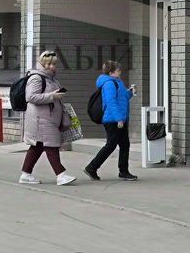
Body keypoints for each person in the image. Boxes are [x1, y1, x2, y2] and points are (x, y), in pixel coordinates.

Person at [19, 50, 77, 186]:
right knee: (52, 146)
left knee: (38, 146)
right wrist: (53, 96)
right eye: (48, 64)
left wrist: (57, 95)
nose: (51, 66)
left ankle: (26, 174)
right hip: (41, 119)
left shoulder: (50, 79)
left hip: (48, 118)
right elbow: (30, 97)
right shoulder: (36, 78)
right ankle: (61, 175)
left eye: (54, 64)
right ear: (42, 63)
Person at [84, 61, 138, 181]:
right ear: (111, 72)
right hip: (113, 120)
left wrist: (130, 92)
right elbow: (111, 102)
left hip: (119, 119)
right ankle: (92, 167)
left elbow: (122, 98)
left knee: (124, 144)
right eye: (118, 70)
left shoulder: (118, 82)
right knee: (111, 145)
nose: (120, 72)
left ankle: (123, 171)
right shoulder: (109, 84)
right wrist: (119, 119)